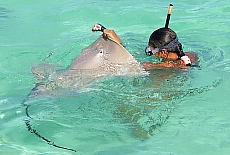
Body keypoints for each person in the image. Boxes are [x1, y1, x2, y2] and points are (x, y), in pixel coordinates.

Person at [91, 5, 198, 70]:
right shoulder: (190, 55)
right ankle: (115, 40)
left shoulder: (186, 61)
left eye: (151, 48)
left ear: (164, 52)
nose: (149, 50)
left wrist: (157, 66)